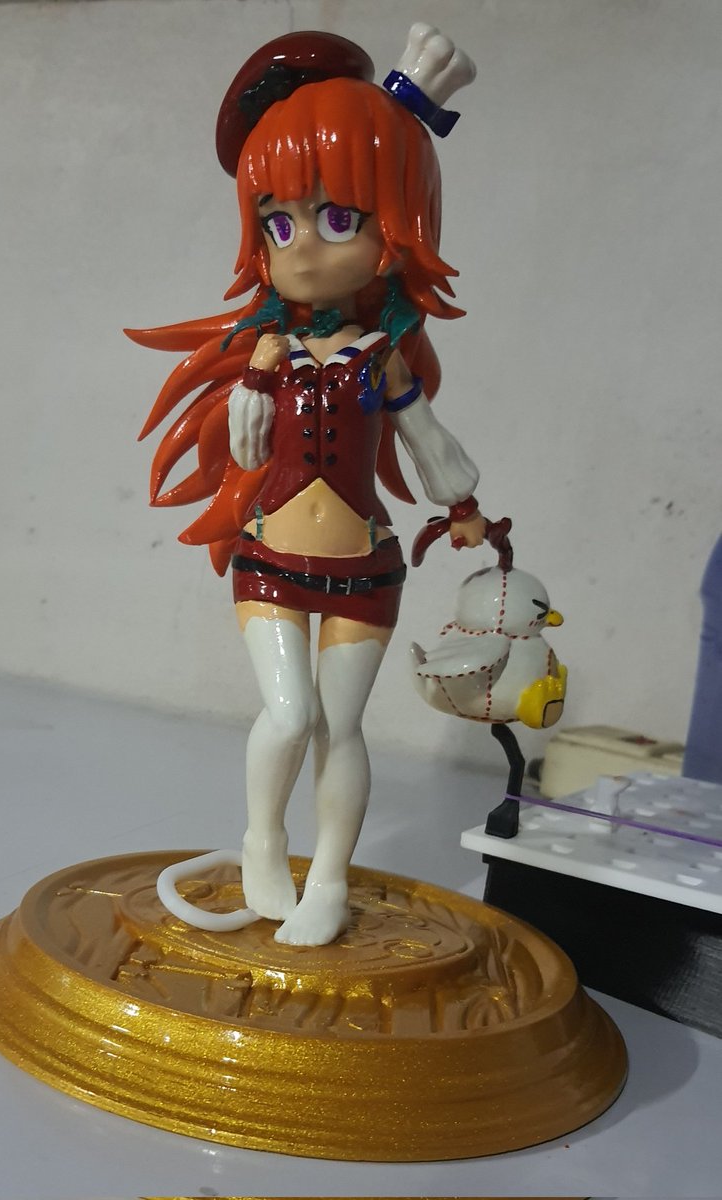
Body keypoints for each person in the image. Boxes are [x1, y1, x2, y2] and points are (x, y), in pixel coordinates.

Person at [128, 26, 486, 945]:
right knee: (288, 716)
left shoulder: (382, 359)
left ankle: (327, 878)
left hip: (364, 566)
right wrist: (251, 383)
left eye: (337, 219)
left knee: (340, 727)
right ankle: (262, 841)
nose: (303, 250)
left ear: (393, 228)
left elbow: (429, 441)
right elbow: (248, 443)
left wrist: (463, 509)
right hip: (270, 561)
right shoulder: (269, 357)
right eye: (279, 225)